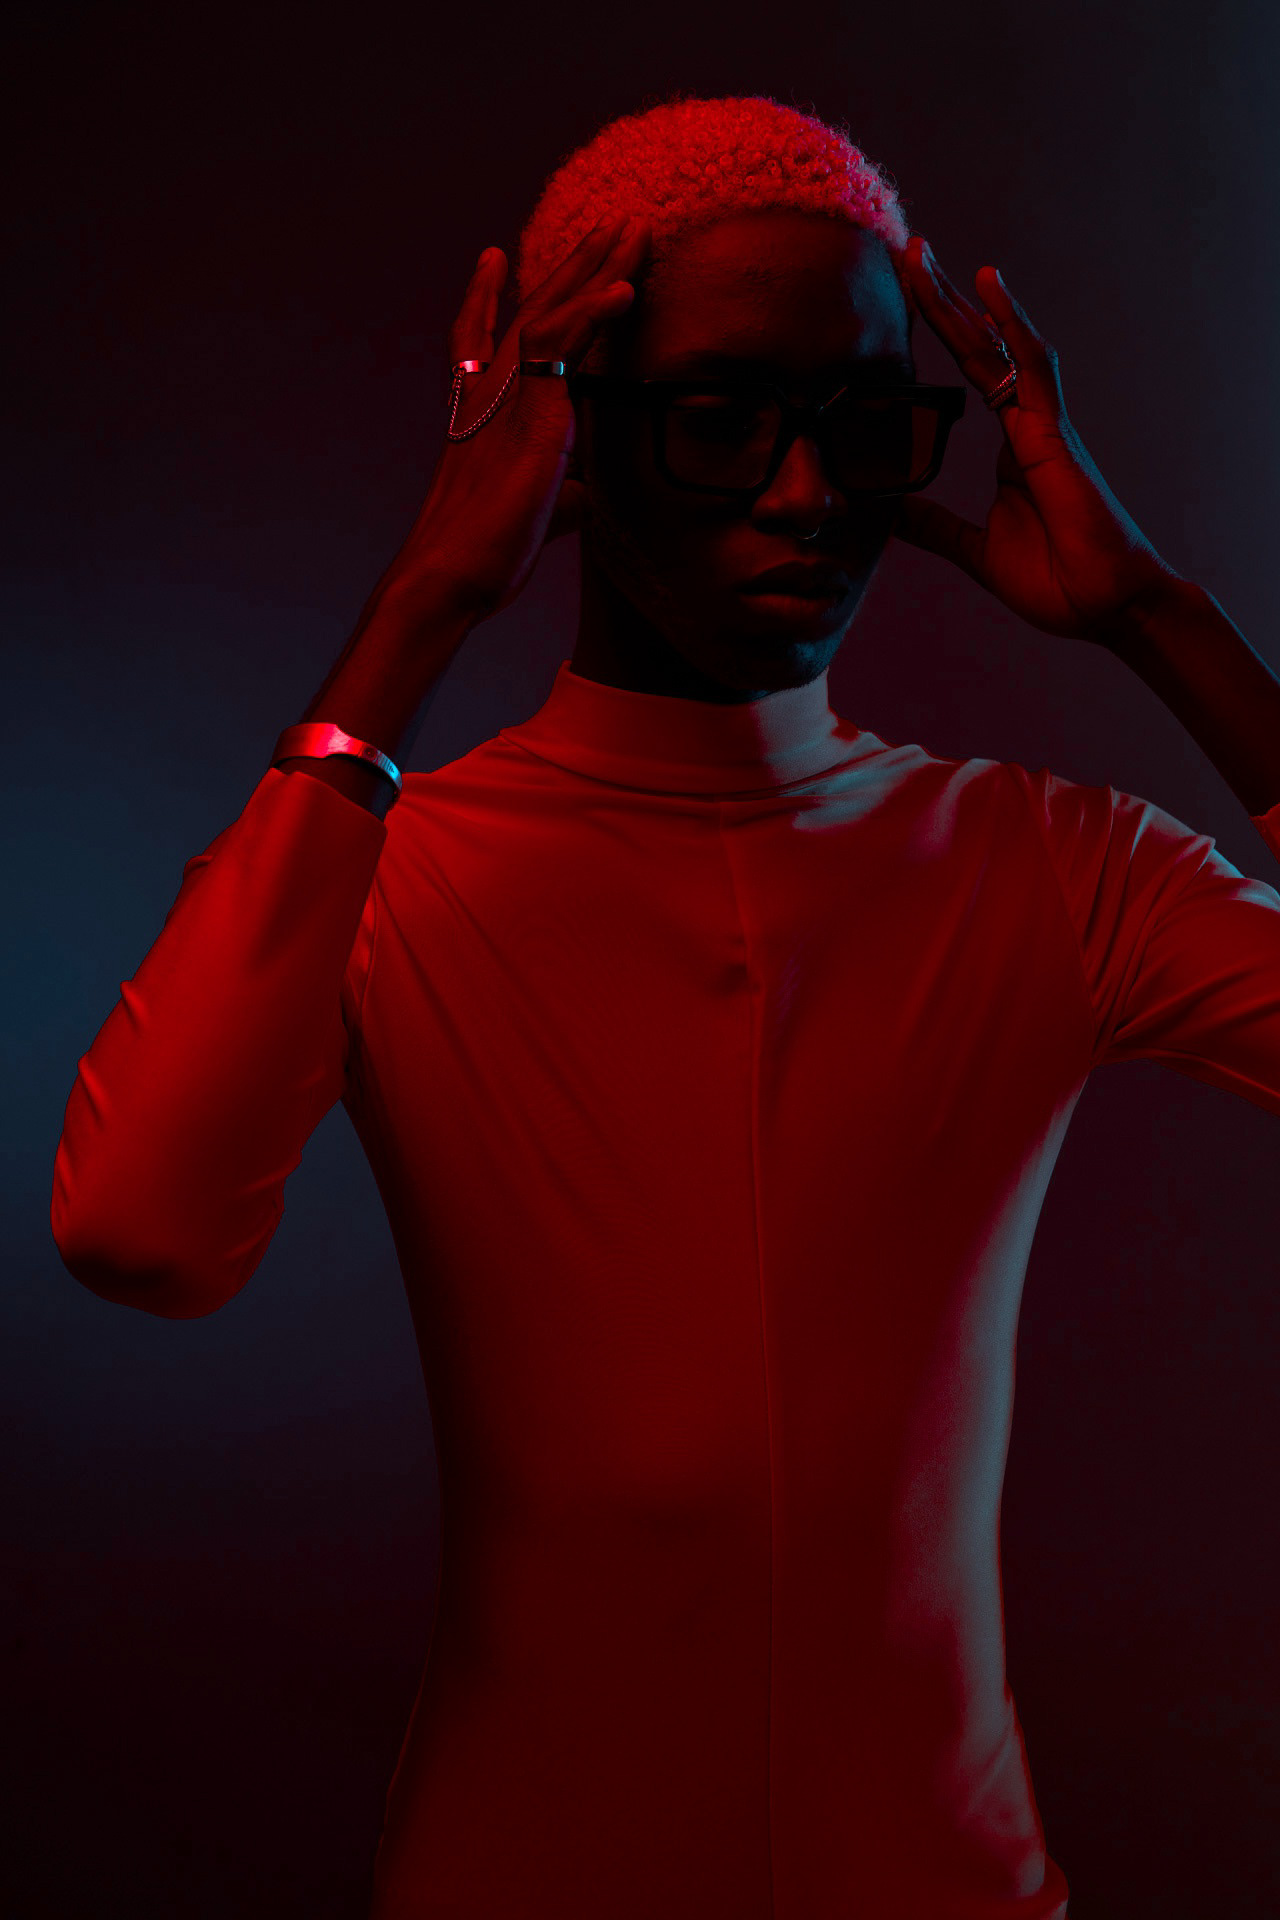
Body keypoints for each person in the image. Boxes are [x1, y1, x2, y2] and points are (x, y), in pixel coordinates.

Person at [50, 93, 1280, 1920]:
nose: (807, 495)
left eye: (865, 425)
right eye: (719, 418)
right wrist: (423, 601)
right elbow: (140, 1234)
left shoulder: (1049, 865)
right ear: (571, 430)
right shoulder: (387, 868)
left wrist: (1158, 616)